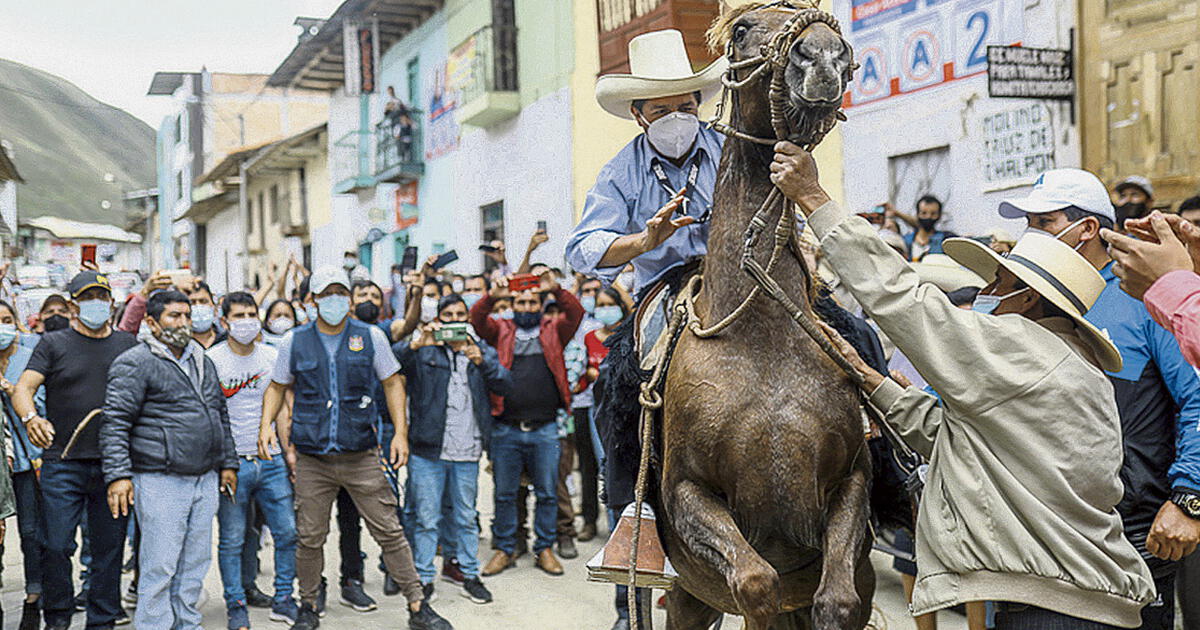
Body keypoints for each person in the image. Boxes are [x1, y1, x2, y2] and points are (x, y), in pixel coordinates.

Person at [771, 142, 1155, 628]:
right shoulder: (1068, 363)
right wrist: (869, 377)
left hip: (1057, 609)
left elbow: (900, 296)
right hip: (1072, 601)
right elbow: (956, 438)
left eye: (997, 283)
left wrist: (814, 197)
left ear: (1029, 299)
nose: (986, 295)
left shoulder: (1019, 346)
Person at [995, 169, 1200, 629]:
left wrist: (1190, 497)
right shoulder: (1024, 296)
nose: (1030, 235)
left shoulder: (1143, 299)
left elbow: (1198, 396)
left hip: (1128, 537)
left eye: (1043, 223)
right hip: (1034, 537)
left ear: (1086, 229)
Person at [563, 30, 726, 595]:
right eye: (663, 110)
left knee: (848, 334)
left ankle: (889, 476)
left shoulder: (732, 147)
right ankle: (631, 526)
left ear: (700, 104)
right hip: (665, 287)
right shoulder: (619, 172)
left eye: (686, 106)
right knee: (615, 393)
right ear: (638, 114)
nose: (679, 117)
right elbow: (583, 247)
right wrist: (643, 238)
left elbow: (782, 206)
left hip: (745, 278)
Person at [257, 266, 452, 630]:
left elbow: (393, 383)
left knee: (390, 531)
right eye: (326, 294)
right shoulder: (294, 342)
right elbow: (277, 386)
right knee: (310, 537)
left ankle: (417, 606)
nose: (334, 300)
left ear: (348, 298)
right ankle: (308, 606)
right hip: (314, 458)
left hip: (361, 454)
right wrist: (266, 425)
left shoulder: (371, 336)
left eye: (340, 293)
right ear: (312, 301)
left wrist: (400, 434)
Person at [100, 290, 237, 630]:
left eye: (187, 316)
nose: (184, 323)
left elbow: (219, 412)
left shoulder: (202, 358)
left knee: (195, 562)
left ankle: (187, 624)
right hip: (160, 477)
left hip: (204, 477)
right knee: (160, 565)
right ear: (151, 323)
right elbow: (115, 421)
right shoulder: (136, 362)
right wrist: (118, 475)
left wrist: (228, 463)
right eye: (174, 316)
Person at [13, 271, 136, 630]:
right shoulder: (53, 344)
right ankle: (58, 618)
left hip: (113, 465)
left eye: (102, 297)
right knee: (55, 544)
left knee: (108, 551)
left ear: (112, 303)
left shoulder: (128, 346)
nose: (96, 304)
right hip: (61, 462)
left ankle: (102, 621)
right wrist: (31, 417)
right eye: (88, 297)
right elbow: (23, 388)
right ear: (72, 306)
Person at [397, 294, 510, 604]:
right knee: (426, 519)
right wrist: (418, 342)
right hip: (428, 450)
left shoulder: (478, 349)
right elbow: (393, 365)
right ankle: (423, 578)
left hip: (468, 451)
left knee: (465, 516)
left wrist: (481, 361)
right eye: (448, 315)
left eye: (461, 314)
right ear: (439, 318)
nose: (455, 320)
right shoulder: (426, 349)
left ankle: (470, 574)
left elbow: (505, 383)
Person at [470, 277, 584, 578]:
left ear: (541, 305)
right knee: (505, 494)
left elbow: (576, 312)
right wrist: (493, 295)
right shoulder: (501, 330)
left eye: (533, 302)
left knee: (547, 493)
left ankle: (544, 548)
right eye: (520, 302)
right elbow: (477, 319)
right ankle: (504, 549)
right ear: (512, 306)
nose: (526, 307)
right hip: (506, 429)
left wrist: (555, 288)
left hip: (545, 429)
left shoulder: (554, 329)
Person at [208, 292, 299, 629]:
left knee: (287, 532)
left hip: (271, 459)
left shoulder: (272, 357)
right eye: (239, 315)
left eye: (251, 314)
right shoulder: (212, 360)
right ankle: (236, 604)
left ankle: (284, 598)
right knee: (233, 538)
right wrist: (221, 462)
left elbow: (284, 408)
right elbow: (210, 415)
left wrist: (289, 453)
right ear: (224, 321)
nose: (246, 321)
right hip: (234, 463)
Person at [0, 299, 46, 630]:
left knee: (31, 533)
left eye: (5, 319)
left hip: (28, 461)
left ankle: (33, 598)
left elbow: (41, 404)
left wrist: (12, 390)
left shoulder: (30, 357)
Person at [571, 276, 605, 543]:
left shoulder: (617, 330)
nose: (592, 296)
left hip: (613, 408)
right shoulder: (581, 328)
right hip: (584, 404)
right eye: (588, 291)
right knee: (587, 466)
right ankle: (590, 520)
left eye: (597, 291)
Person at [887, 196, 955, 261]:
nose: (928, 217)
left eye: (933, 214)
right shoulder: (905, 241)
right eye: (924, 213)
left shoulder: (946, 239)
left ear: (939, 215)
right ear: (917, 214)